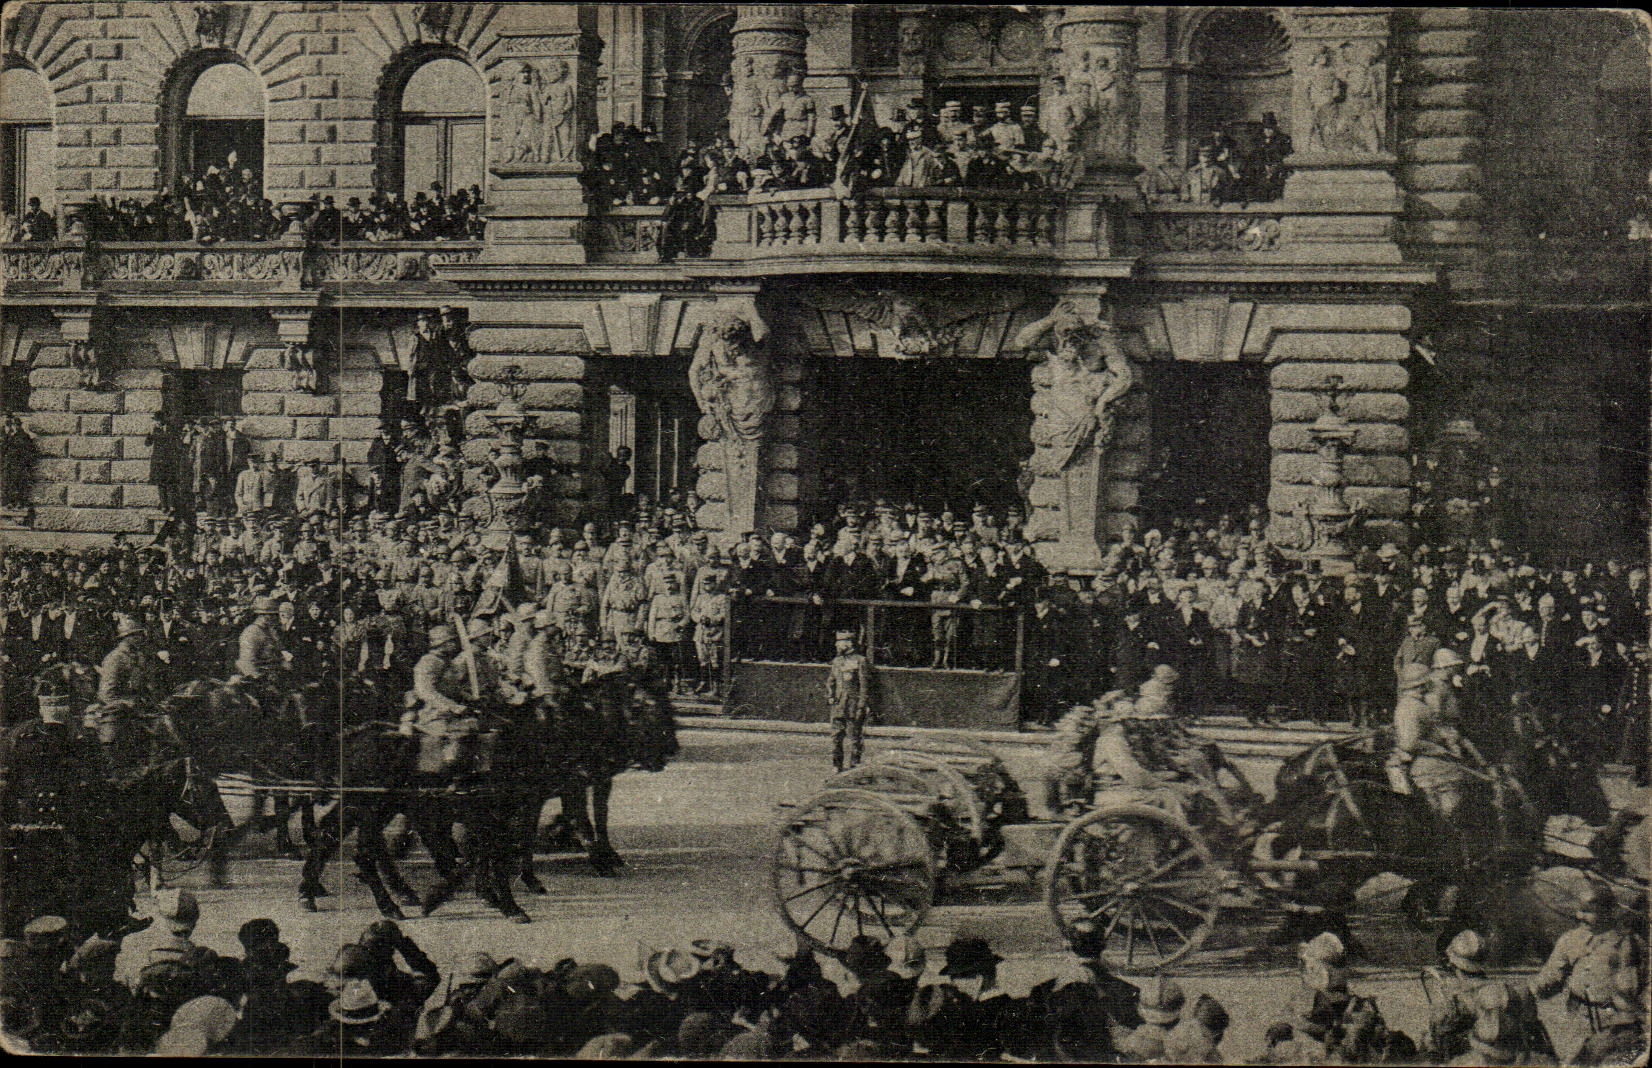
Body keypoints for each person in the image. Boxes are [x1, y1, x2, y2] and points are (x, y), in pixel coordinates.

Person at [1532, 883, 1645, 1060]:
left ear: (1609, 911)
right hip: (1577, 1024)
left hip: (1616, 1027)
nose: (1580, 916)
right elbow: (1550, 978)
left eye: (1588, 911)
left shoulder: (1630, 943)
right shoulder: (1569, 940)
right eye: (1579, 910)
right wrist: (1533, 989)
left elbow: (1641, 987)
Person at [825, 629, 871, 772]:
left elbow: (864, 686)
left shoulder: (860, 661)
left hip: (853, 705)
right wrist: (830, 696)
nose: (836, 645)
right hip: (838, 705)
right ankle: (836, 765)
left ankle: (854, 766)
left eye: (839, 642)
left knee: (854, 737)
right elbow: (831, 681)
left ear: (849, 643)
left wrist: (861, 705)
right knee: (836, 736)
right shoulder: (837, 661)